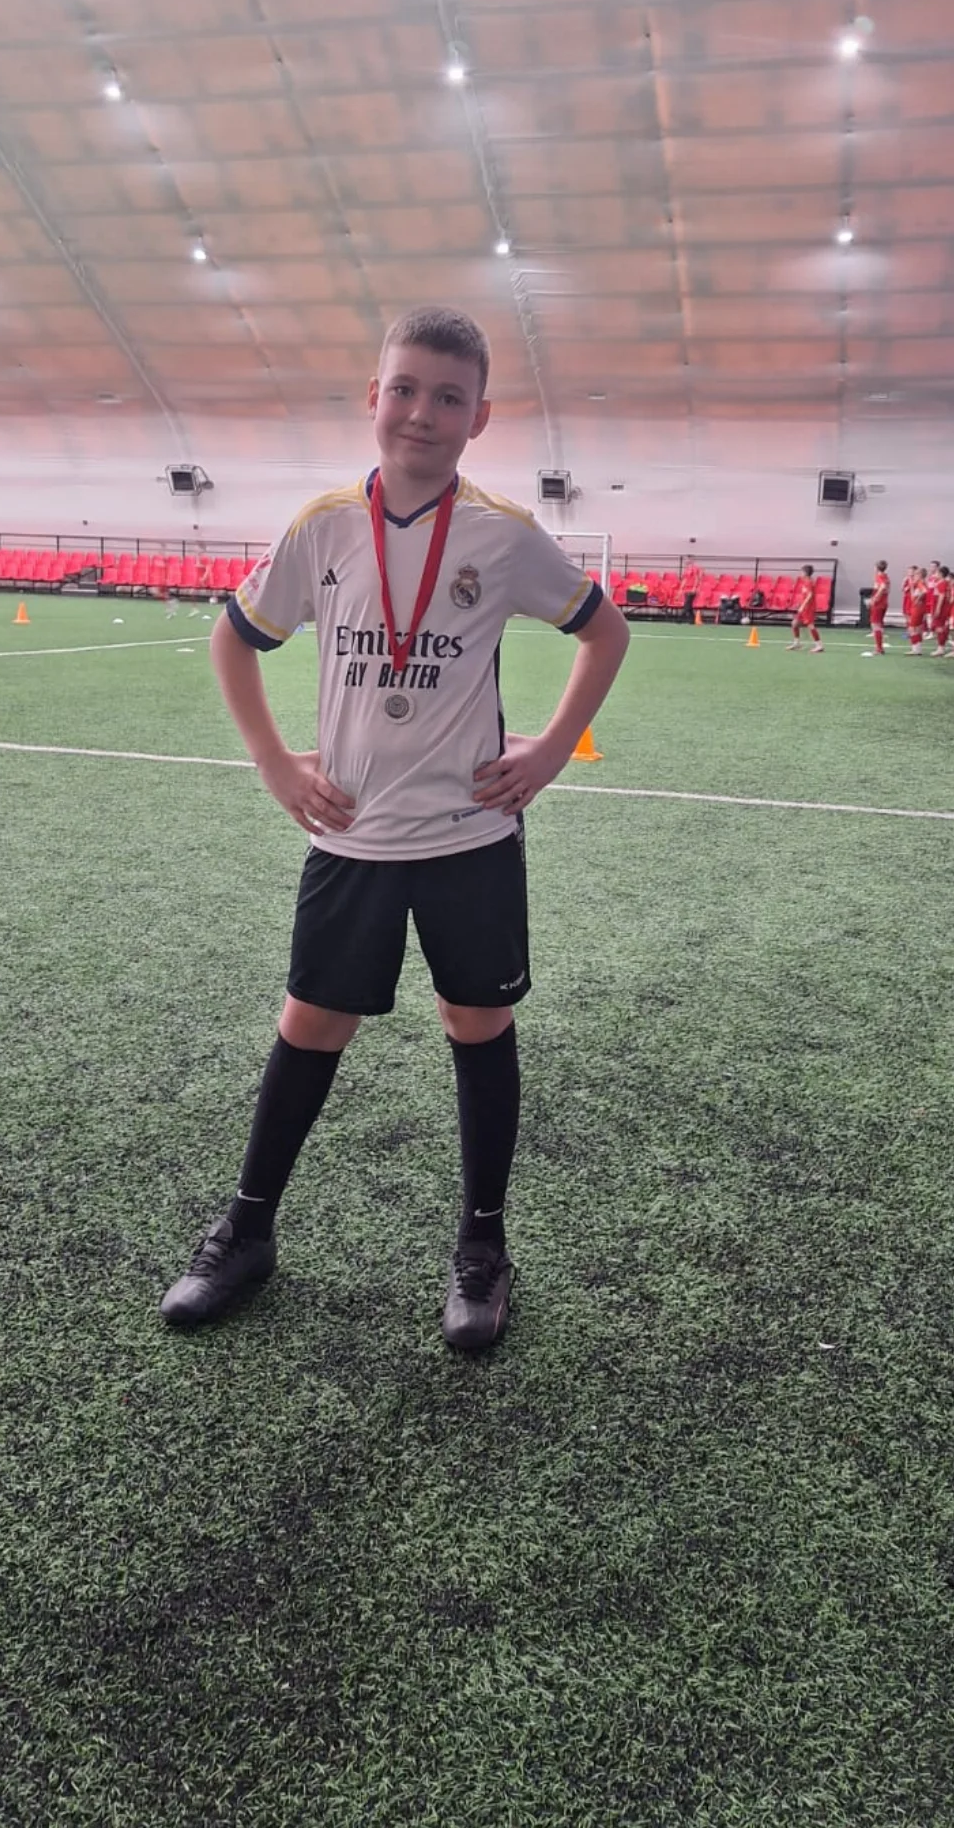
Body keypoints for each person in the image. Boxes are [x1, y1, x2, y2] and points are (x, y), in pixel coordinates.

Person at [160, 306, 631, 1350]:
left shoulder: (503, 533)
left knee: (477, 1021)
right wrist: (276, 762)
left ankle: (483, 1249)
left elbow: (606, 630)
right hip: (352, 836)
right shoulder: (323, 525)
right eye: (405, 389)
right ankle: (246, 1230)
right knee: (310, 1022)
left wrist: (553, 747)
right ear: (374, 396)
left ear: (479, 417)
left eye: (448, 396)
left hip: (470, 834)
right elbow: (233, 642)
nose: (423, 412)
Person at [787, 565, 823, 652]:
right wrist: (800, 604)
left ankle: (819, 645)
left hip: (808, 608)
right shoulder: (805, 582)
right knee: (794, 623)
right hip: (803, 608)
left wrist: (803, 605)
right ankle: (797, 643)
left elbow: (810, 595)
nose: (801, 573)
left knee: (810, 625)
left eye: (802, 572)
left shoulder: (809, 582)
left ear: (805, 573)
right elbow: (805, 595)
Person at [862, 559, 889, 657]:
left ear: (877, 568)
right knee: (879, 625)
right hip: (884, 603)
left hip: (878, 604)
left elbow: (883, 587)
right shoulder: (885, 576)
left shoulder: (879, 576)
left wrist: (874, 599)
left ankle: (879, 649)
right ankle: (879, 647)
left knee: (875, 625)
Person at [930, 565, 951, 657]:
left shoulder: (942, 583)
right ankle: (941, 647)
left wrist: (938, 609)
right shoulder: (945, 583)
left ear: (941, 574)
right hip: (943, 607)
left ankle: (940, 648)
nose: (935, 574)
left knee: (939, 628)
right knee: (939, 627)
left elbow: (941, 597)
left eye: (937, 573)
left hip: (941, 608)